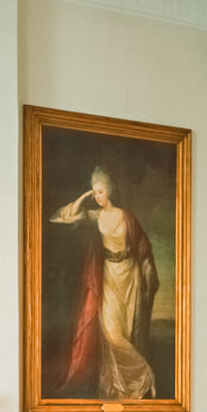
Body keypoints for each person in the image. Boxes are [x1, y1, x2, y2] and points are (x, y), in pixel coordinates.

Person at [48, 164, 156, 399]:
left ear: (110, 191)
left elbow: (142, 248)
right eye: (94, 192)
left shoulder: (126, 216)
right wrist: (84, 196)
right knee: (111, 333)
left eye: (100, 191)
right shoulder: (95, 216)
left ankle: (126, 386)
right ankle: (144, 374)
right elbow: (63, 217)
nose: (97, 196)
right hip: (109, 275)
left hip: (129, 275)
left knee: (126, 333)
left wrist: (147, 279)